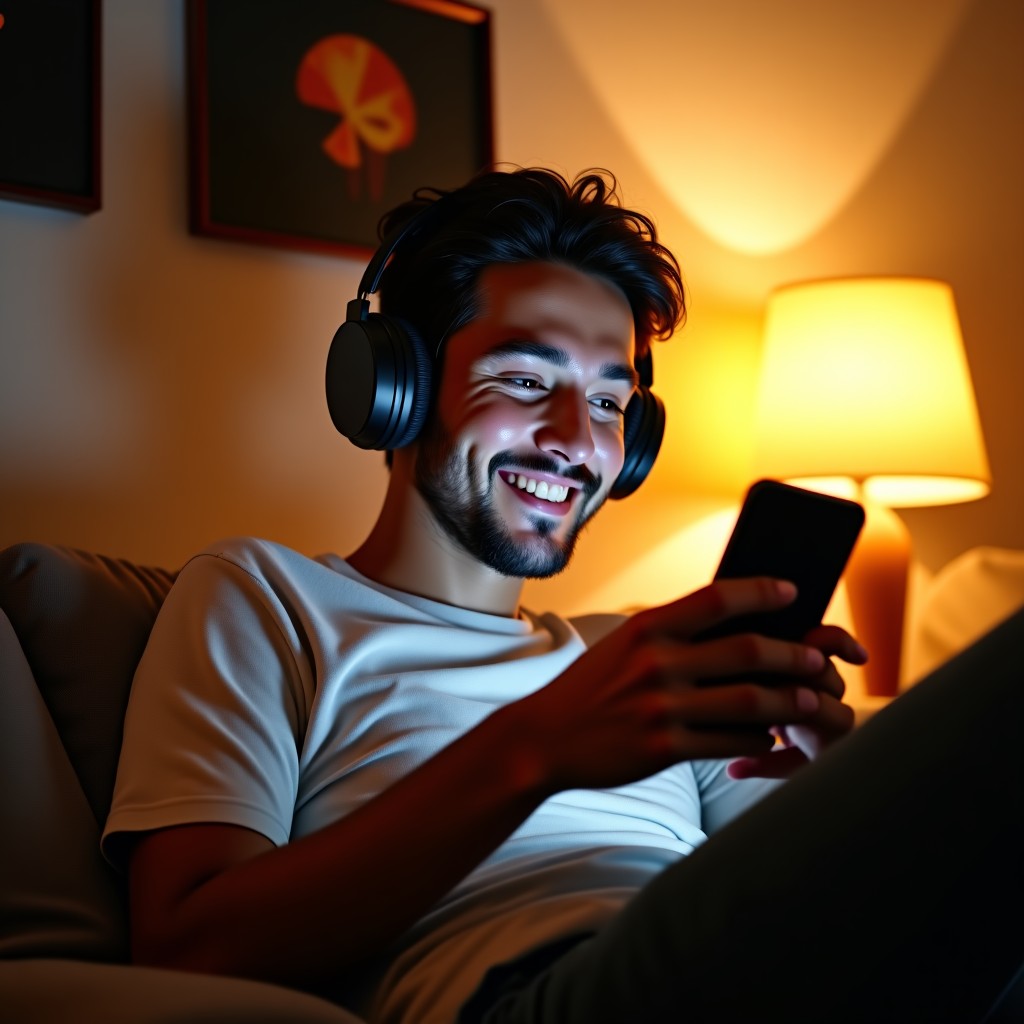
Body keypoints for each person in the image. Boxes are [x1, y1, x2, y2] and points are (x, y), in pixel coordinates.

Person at [102, 167, 1022, 1023]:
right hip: (535, 990)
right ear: (398, 388)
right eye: (524, 380)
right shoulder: (265, 599)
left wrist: (847, 789)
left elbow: (812, 913)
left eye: (610, 403)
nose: (576, 440)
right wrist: (544, 744)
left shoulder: (638, 658)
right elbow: (188, 947)